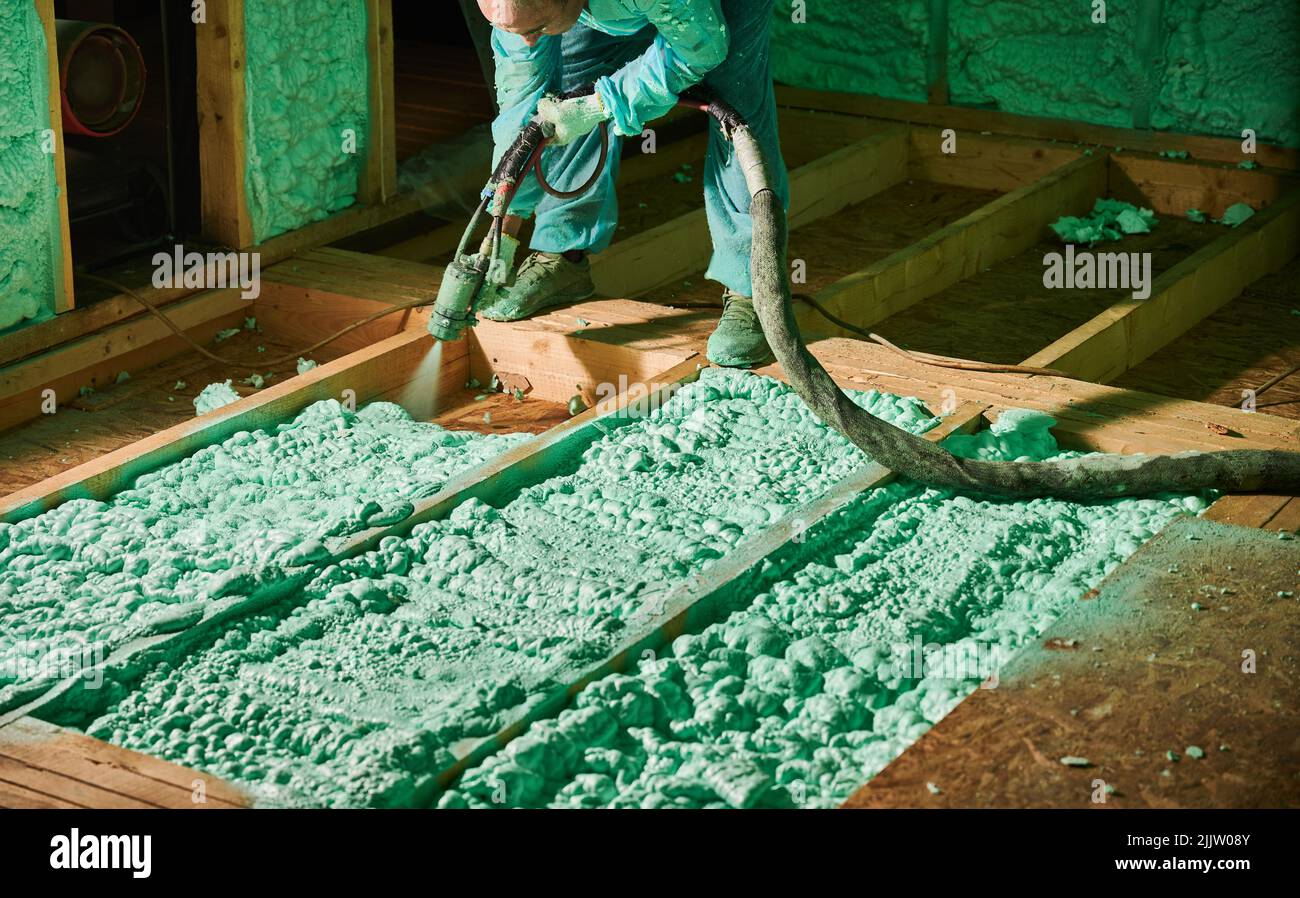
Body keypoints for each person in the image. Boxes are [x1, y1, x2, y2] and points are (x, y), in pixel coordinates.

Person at [474, 0, 789, 367]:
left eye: (537, 28)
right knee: (570, 83)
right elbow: (522, 103)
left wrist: (601, 105)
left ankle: (752, 291)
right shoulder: (522, 12)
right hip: (601, 7)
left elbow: (699, 50)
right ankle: (563, 255)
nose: (528, 41)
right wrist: (502, 239)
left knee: (735, 97)